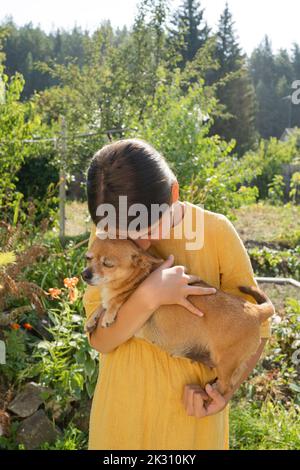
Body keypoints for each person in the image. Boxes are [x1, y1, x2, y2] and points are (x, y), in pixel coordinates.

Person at [83, 138, 271, 450]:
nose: (138, 243)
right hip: (120, 422)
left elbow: (258, 327)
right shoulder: (107, 237)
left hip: (189, 427)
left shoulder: (215, 232)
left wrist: (222, 393)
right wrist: (150, 296)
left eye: (146, 229)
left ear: (173, 193)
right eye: (124, 235)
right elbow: (100, 340)